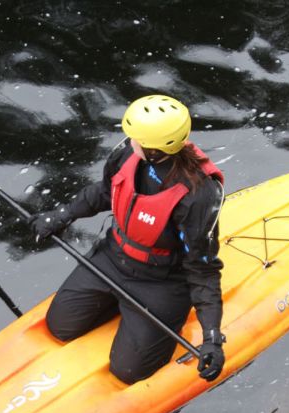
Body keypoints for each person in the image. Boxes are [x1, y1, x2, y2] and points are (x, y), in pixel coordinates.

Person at [31, 94, 226, 385]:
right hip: (112, 259)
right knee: (59, 327)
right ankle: (119, 305)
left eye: (135, 137)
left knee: (128, 373)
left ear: (155, 151)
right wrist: (61, 216)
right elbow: (105, 192)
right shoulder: (126, 154)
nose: (128, 139)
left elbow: (203, 269)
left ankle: (146, 322)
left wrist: (212, 337)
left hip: (161, 283)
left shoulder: (198, 195)